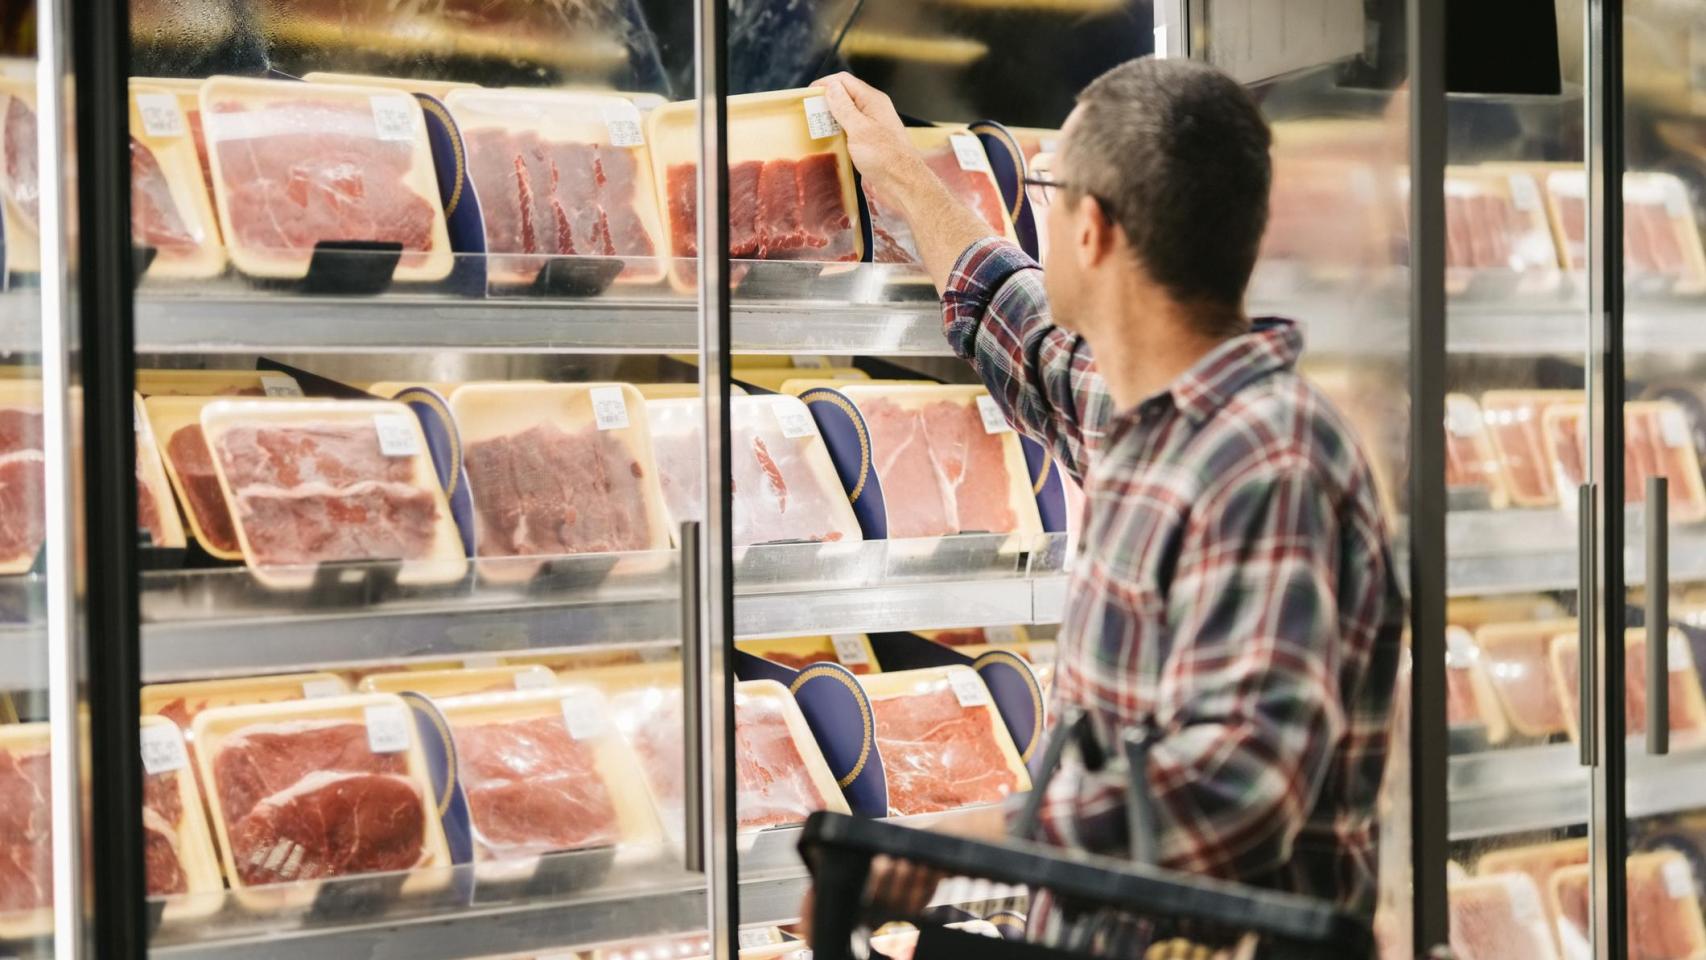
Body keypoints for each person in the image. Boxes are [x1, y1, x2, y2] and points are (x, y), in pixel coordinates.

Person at [801, 57, 1406, 946]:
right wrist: (898, 173)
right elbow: (1031, 336)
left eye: (1050, 189)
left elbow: (1237, 789)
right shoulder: (1154, 416)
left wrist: (976, 837)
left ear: (1092, 229)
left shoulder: (1266, 460)